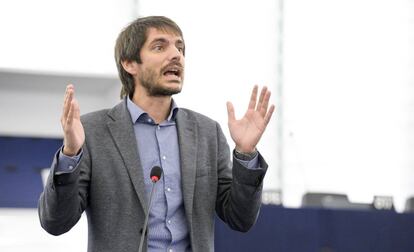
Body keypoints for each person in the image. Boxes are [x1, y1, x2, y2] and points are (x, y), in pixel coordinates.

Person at [38, 16, 275, 252]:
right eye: (160, 47)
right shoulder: (93, 131)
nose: (176, 55)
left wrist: (245, 154)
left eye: (180, 48)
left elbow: (240, 218)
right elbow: (56, 222)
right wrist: (70, 153)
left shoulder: (207, 133)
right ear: (130, 63)